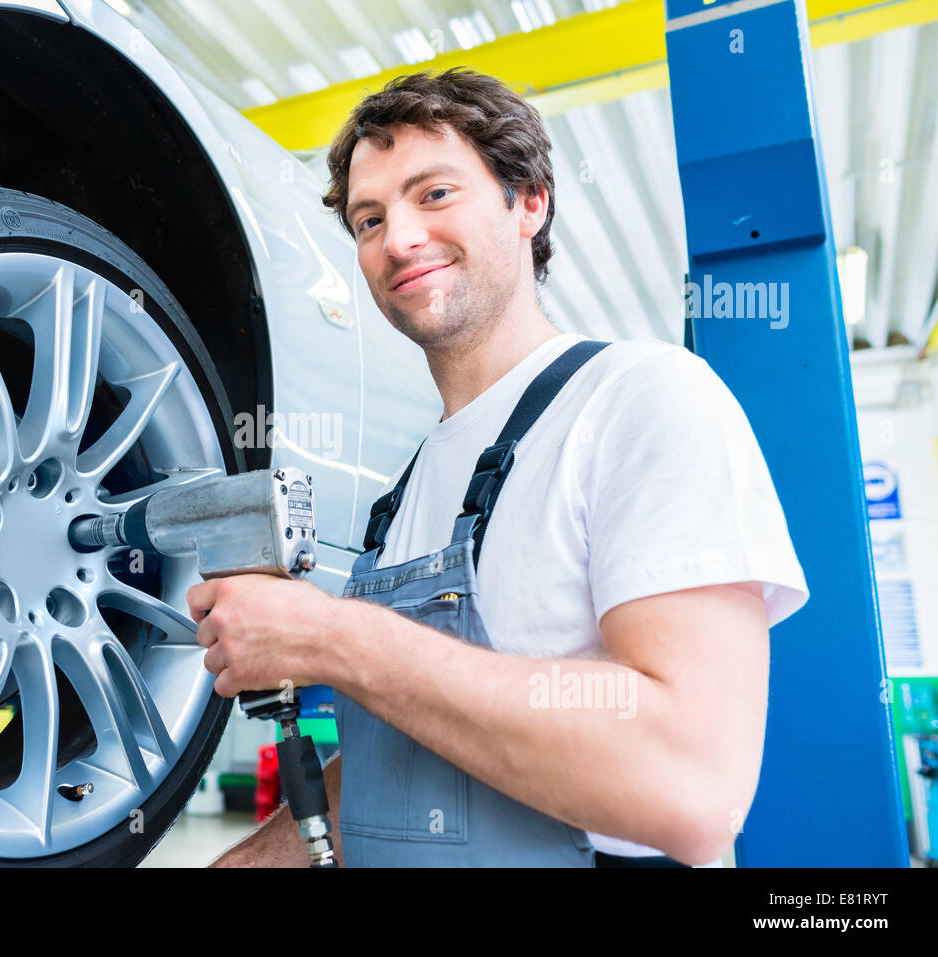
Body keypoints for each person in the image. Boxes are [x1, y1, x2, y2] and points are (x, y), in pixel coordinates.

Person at [189, 67, 809, 867]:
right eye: (368, 218)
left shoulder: (642, 399)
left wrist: (334, 636)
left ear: (530, 202)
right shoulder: (402, 496)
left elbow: (692, 788)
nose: (397, 239)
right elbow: (407, 772)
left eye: (434, 194)